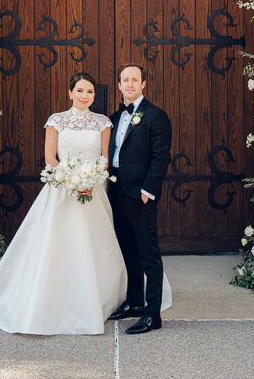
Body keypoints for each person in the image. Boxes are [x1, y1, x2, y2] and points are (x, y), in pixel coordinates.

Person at [0, 72, 127, 334]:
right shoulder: (56, 121)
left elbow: (104, 158)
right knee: (57, 244)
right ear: (69, 92)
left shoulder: (102, 122)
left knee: (94, 243)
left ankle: (99, 299)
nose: (85, 96)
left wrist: (91, 179)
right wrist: (71, 180)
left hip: (92, 190)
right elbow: (50, 158)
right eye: (79, 90)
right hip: (62, 191)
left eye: (89, 92)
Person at [107, 63, 173, 334]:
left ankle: (152, 314)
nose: (130, 84)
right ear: (119, 85)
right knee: (127, 252)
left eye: (135, 80)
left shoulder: (155, 116)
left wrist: (148, 192)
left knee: (148, 254)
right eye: (125, 80)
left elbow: (161, 158)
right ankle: (134, 303)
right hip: (117, 193)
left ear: (144, 84)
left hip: (141, 195)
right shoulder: (113, 117)